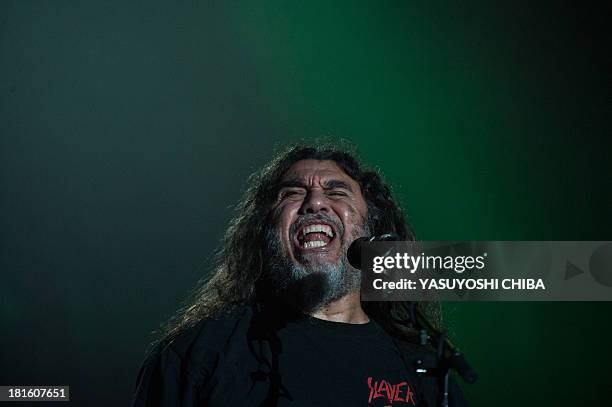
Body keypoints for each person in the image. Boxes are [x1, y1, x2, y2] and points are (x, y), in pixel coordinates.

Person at [132, 143, 466, 406]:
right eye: (293, 193)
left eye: (337, 192)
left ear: (373, 228)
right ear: (265, 231)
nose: (315, 202)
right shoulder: (199, 354)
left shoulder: (424, 370)